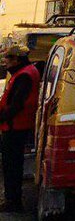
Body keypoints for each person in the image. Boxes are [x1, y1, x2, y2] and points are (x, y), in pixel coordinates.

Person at [0, 44, 39, 211]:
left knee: (12, 166)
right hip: (17, 125)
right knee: (13, 165)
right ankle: (13, 199)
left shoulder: (24, 76)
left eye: (7, 59)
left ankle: (13, 202)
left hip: (15, 127)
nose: (5, 62)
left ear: (16, 59)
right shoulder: (27, 71)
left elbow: (16, 105)